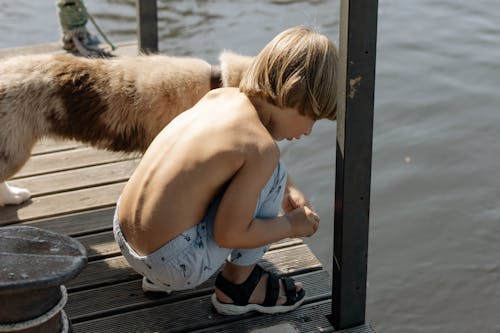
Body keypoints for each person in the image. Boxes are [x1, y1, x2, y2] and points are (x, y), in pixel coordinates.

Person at [113, 26, 338, 315]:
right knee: (272, 171)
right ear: (294, 93)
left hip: (124, 235)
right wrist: (291, 225)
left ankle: (159, 279)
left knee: (269, 173)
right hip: (172, 265)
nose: (308, 131)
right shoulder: (262, 149)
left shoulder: (219, 97)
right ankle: (237, 289)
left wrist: (287, 189)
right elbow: (229, 234)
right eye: (312, 117)